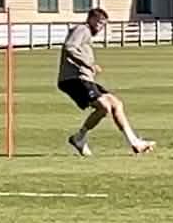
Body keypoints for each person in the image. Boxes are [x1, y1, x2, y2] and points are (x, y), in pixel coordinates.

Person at [57, 8, 156, 156]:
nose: (100, 27)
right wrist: (88, 64)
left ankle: (134, 142)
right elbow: (69, 47)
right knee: (104, 107)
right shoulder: (82, 29)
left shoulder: (87, 34)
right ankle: (79, 138)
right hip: (74, 79)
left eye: (103, 24)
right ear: (91, 19)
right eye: (99, 23)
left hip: (84, 79)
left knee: (116, 104)